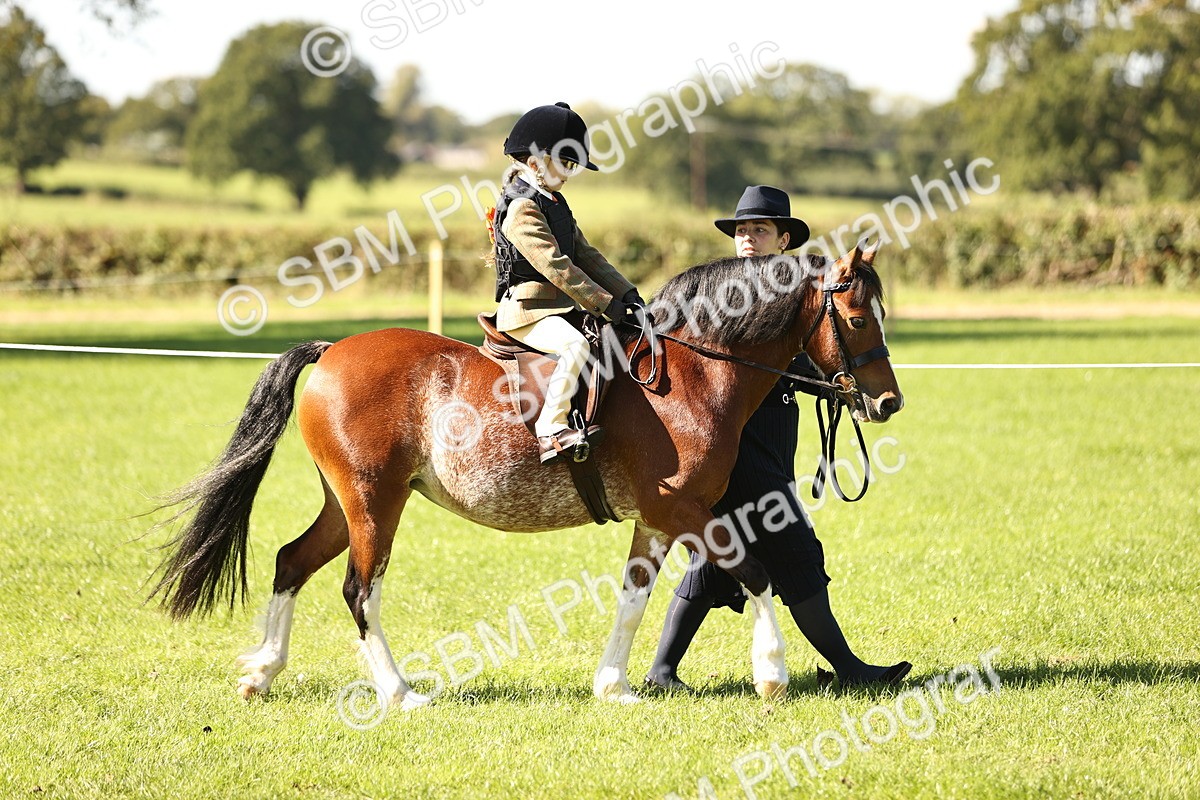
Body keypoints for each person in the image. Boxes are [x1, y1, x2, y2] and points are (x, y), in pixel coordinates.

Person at [643, 185, 912, 691]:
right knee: (793, 551)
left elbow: (813, 354)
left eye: (759, 230)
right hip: (737, 444)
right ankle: (852, 671)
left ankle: (661, 672)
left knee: (718, 560)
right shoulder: (725, 295)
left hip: (772, 438)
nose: (746, 238)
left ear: (783, 238)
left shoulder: (795, 296)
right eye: (741, 230)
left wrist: (842, 384)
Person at [488, 102, 644, 464]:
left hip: (558, 308)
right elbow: (557, 267)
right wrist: (606, 304)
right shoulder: (521, 208)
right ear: (534, 163)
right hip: (527, 312)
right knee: (576, 346)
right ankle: (551, 431)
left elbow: (587, 255)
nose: (570, 173)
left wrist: (629, 293)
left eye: (573, 166)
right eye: (566, 164)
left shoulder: (555, 202)